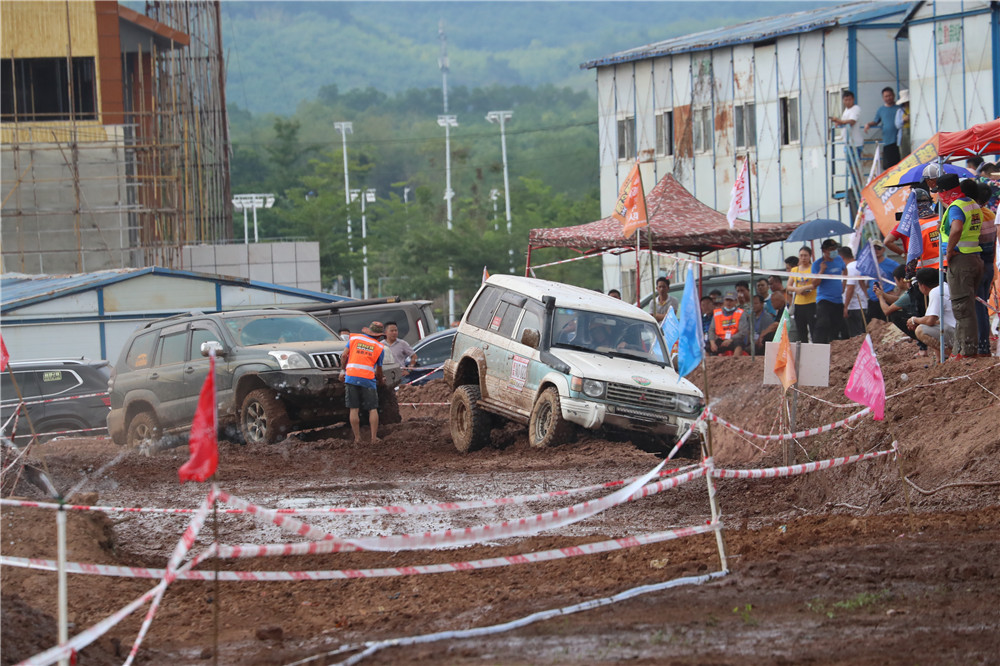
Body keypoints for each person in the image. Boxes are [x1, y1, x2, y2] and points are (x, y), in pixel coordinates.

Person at [937, 174, 984, 358]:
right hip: (974, 258)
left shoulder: (956, 207)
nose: (938, 196)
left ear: (943, 192)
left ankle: (967, 352)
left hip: (960, 261)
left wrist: (948, 251)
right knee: (966, 307)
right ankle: (961, 350)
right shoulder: (971, 203)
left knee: (962, 309)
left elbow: (956, 228)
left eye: (939, 192)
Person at [340, 320, 387, 445]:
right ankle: (373, 438)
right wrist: (381, 379)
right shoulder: (379, 347)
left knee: (353, 408)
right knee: (372, 408)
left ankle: (357, 438)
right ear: (379, 336)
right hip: (368, 379)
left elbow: (344, 356)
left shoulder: (354, 339)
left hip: (351, 377)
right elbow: (379, 369)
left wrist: (343, 370)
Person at [907, 268, 956, 355]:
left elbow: (930, 321)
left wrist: (914, 320)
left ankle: (953, 354)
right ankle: (940, 360)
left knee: (920, 330)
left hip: (955, 331)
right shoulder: (945, 286)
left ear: (923, 286)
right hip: (958, 329)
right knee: (931, 328)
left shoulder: (935, 292)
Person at [973, 181, 996, 356]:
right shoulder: (991, 214)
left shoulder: (974, 216)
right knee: (983, 304)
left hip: (978, 264)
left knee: (978, 307)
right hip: (989, 265)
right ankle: (984, 342)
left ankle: (983, 346)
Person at [811, 238, 847, 344]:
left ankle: (832, 346)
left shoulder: (839, 259)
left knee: (837, 325)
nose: (834, 251)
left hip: (838, 300)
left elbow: (845, 270)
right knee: (823, 323)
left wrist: (844, 284)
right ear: (825, 251)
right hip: (824, 299)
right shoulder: (817, 264)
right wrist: (822, 270)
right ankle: (818, 345)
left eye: (835, 248)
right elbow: (814, 284)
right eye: (831, 249)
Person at [864, 87, 901, 168]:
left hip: (899, 141)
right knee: (888, 167)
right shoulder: (881, 110)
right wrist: (868, 124)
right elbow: (876, 121)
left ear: (894, 95)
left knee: (899, 165)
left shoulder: (899, 108)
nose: (888, 98)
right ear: (883, 98)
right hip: (887, 141)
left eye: (890, 95)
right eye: (886, 96)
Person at [786, 246, 816, 342]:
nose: (803, 258)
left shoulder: (813, 268)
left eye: (806, 255)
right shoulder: (795, 270)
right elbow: (788, 286)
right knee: (801, 331)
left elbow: (815, 284)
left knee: (813, 330)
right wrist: (797, 289)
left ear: (810, 256)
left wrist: (805, 288)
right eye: (801, 256)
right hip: (799, 304)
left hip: (811, 302)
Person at [865, 240, 899, 323]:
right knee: (872, 325)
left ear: (883, 250)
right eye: (873, 249)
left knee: (889, 324)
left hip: (887, 298)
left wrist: (897, 293)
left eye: (878, 248)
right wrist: (866, 293)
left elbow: (903, 278)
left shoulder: (892, 264)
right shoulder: (868, 264)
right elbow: (862, 281)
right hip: (873, 299)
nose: (876, 251)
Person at [709, 292, 748, 356]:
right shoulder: (717, 313)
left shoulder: (741, 313)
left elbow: (743, 332)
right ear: (724, 301)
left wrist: (730, 339)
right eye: (727, 300)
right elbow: (711, 330)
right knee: (707, 347)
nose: (728, 303)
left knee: (739, 344)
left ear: (735, 301)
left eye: (731, 300)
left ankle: (734, 363)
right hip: (720, 339)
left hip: (734, 339)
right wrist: (712, 343)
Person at [840, 246, 867, 338]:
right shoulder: (860, 265)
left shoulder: (850, 268)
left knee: (856, 336)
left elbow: (850, 288)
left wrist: (846, 306)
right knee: (862, 333)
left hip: (854, 306)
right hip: (862, 303)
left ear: (841, 257)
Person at [830, 90, 863, 159]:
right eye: (846, 100)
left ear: (853, 99)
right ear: (843, 101)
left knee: (854, 165)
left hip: (855, 144)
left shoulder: (856, 108)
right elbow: (844, 122)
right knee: (849, 165)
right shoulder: (846, 110)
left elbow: (852, 122)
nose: (848, 102)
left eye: (849, 100)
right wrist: (838, 123)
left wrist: (839, 120)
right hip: (848, 143)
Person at [895, 89, 911, 156]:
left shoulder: (913, 109)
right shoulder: (900, 111)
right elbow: (897, 125)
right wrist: (903, 120)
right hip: (903, 136)